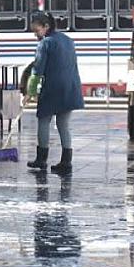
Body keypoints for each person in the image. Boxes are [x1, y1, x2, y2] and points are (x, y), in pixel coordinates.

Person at [26, 11, 83, 174]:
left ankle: (41, 159)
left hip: (54, 88)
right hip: (71, 87)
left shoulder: (45, 43)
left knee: (43, 121)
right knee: (63, 124)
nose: (35, 35)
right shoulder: (67, 40)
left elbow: (37, 70)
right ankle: (66, 162)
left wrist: (30, 91)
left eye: (37, 31)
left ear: (46, 27)